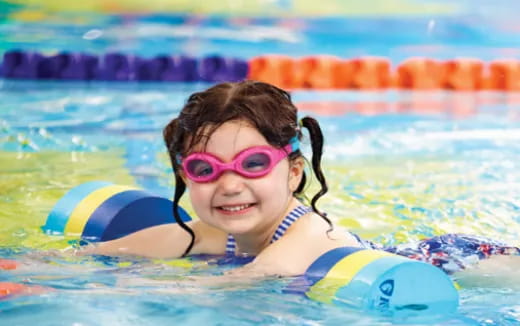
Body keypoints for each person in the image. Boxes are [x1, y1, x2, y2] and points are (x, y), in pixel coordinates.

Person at [85, 80, 520, 279]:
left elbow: (238, 286)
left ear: (293, 172)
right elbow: (113, 251)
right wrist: (29, 270)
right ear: (186, 176)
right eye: (205, 169)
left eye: (252, 164)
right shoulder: (220, 232)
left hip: (458, 262)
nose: (229, 185)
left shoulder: (310, 232)